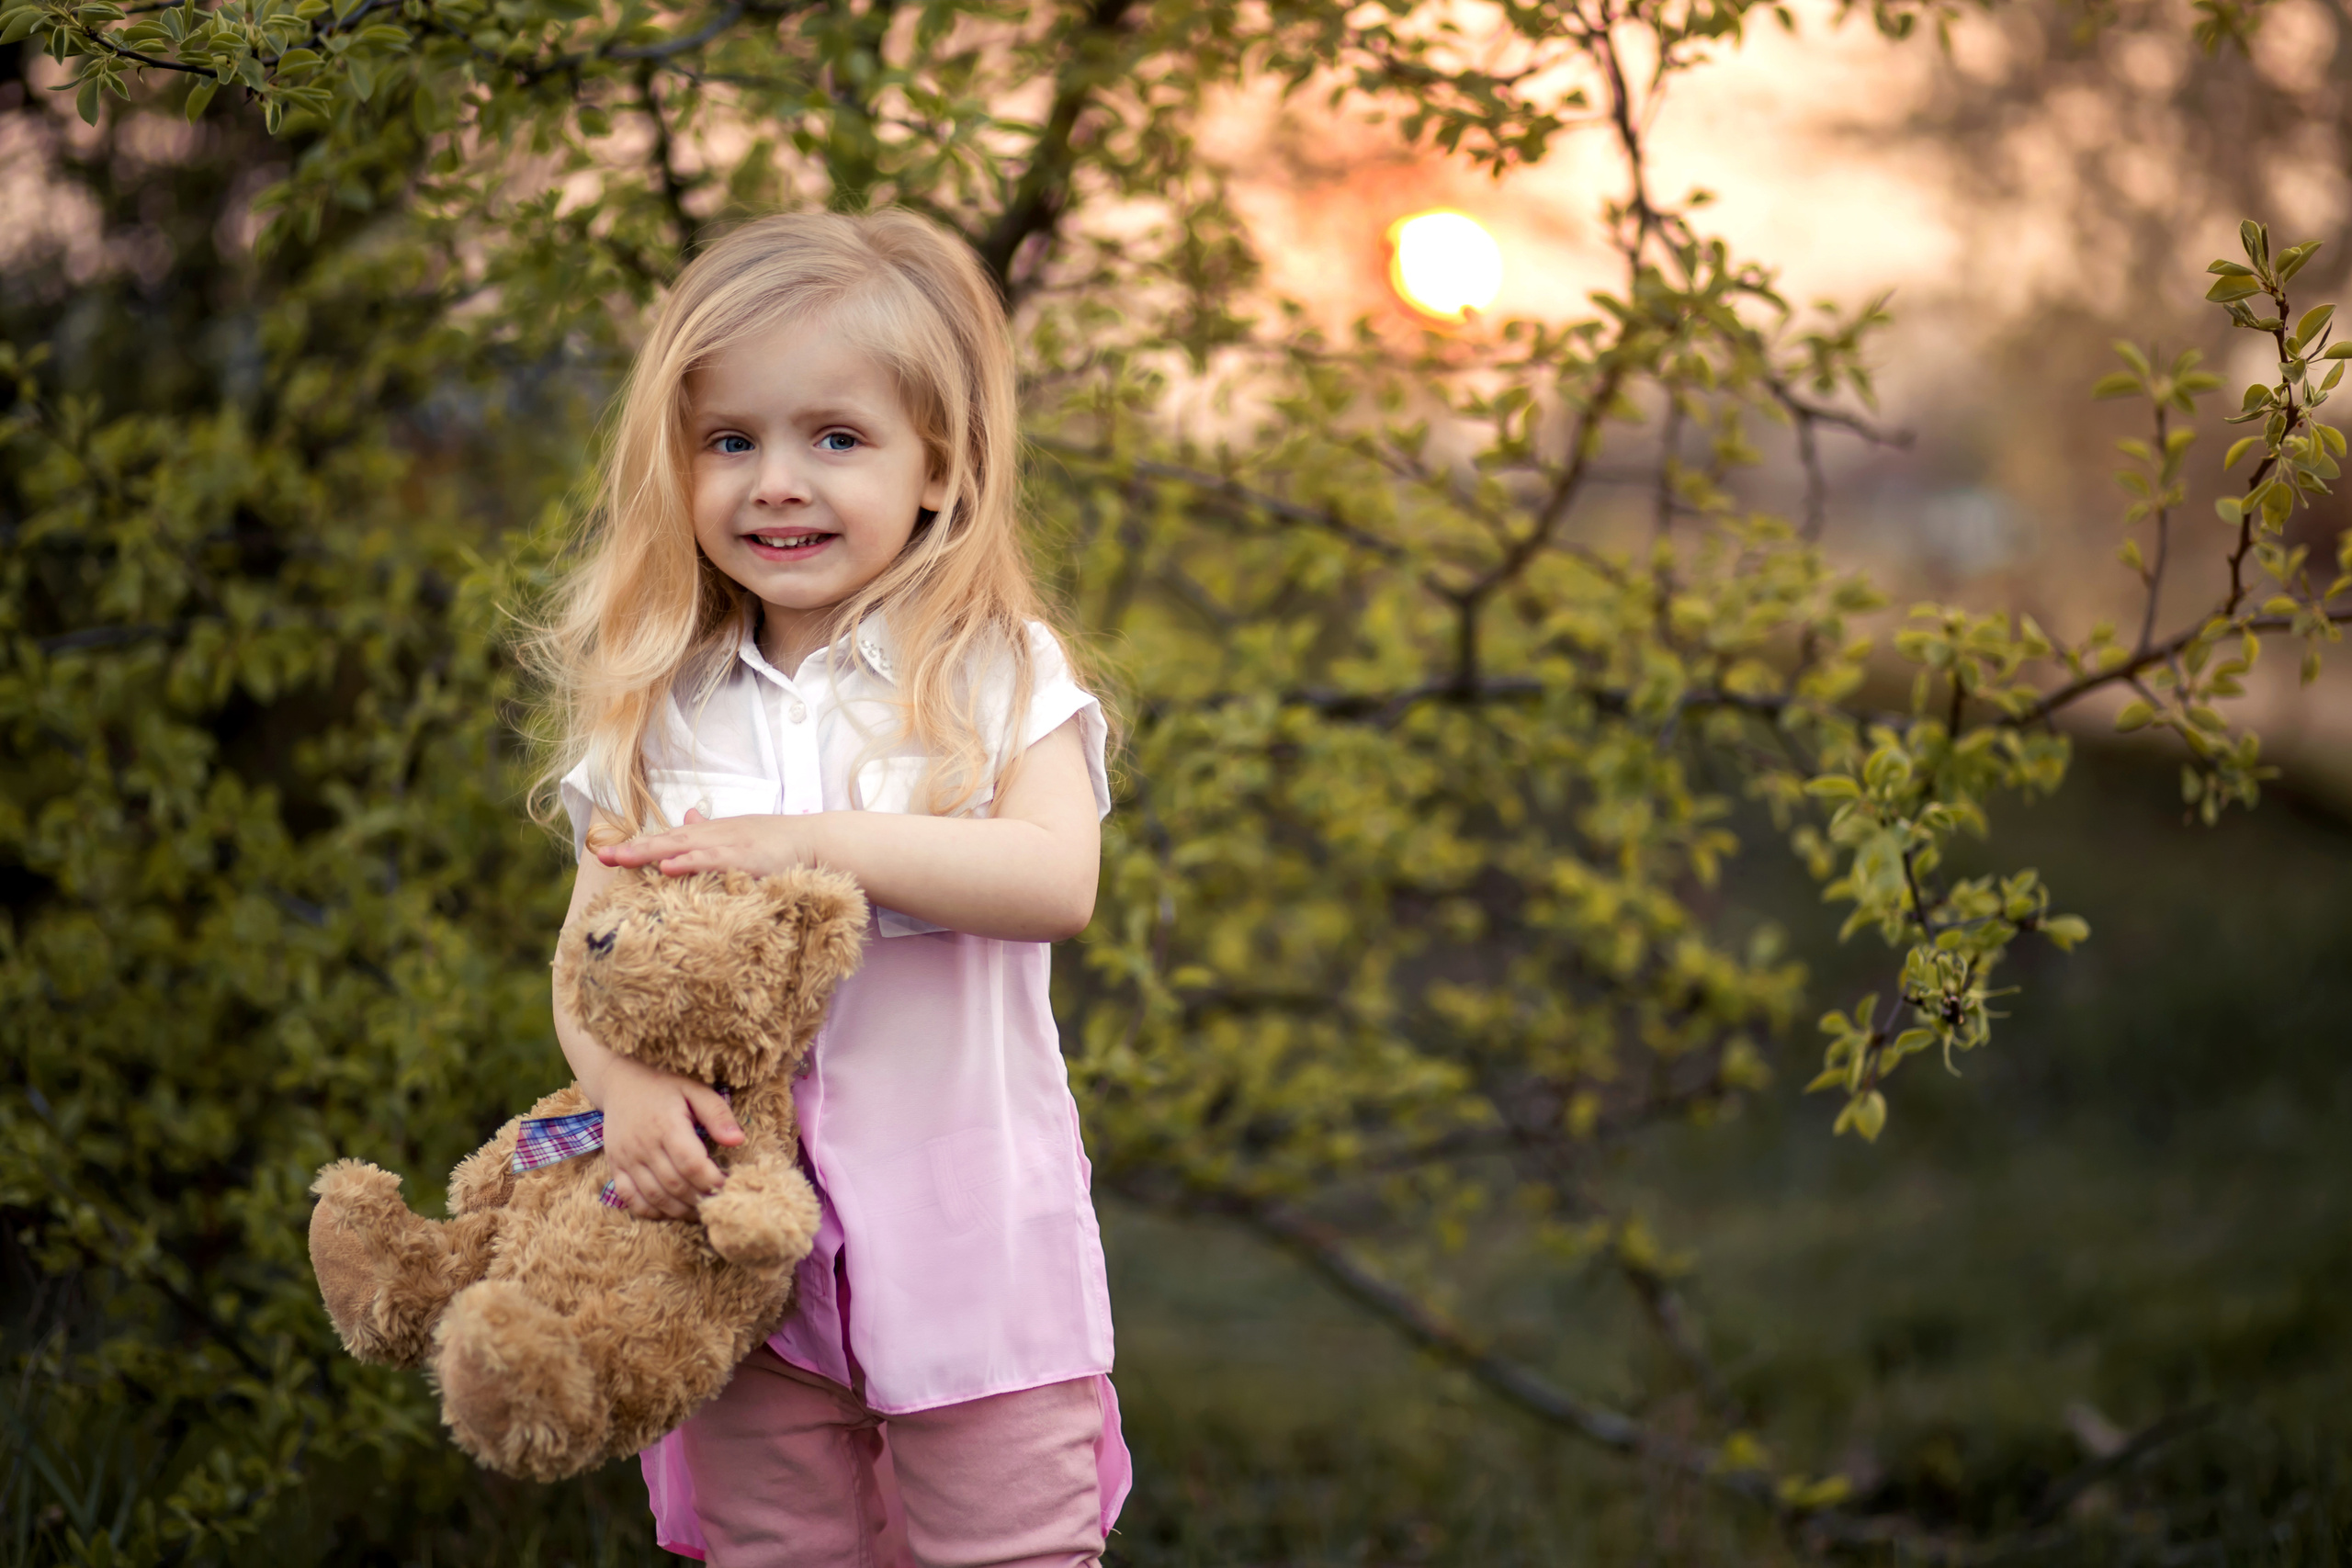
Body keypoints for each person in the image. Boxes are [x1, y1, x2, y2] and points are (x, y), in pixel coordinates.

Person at [529, 209, 1125, 1567]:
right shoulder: (656, 703)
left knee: (1010, 1552)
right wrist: (621, 1090)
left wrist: (819, 841)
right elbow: (590, 957)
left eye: (836, 439)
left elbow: (1054, 879)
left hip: (973, 1241)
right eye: (729, 441)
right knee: (771, 1552)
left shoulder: (990, 669)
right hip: (733, 1247)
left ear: (938, 469)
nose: (775, 483)